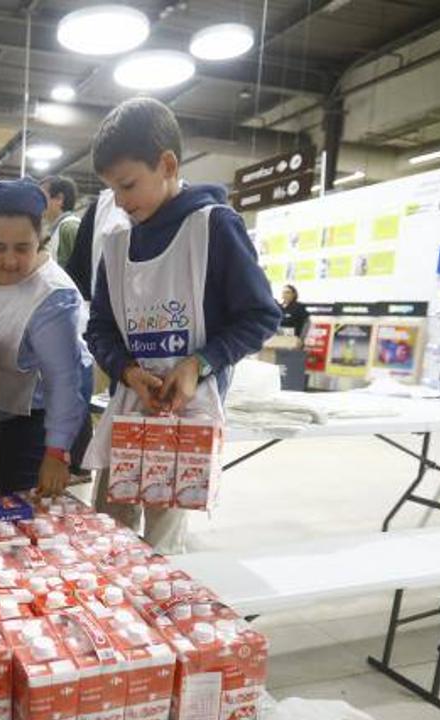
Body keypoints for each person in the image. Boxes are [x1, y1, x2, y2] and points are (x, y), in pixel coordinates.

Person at [83, 98, 281, 552]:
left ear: (167, 164)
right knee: (106, 533)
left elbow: (261, 314)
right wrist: (129, 371)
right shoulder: (116, 246)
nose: (120, 201)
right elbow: (99, 330)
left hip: (184, 419)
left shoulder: (213, 227)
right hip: (131, 409)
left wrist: (198, 364)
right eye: (112, 189)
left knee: (162, 545)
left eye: (128, 185)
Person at [0, 179, 88, 497]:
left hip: (23, 420)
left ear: (40, 239)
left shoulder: (52, 298)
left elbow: (64, 383)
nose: (9, 261)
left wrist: (56, 454)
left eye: (23, 248)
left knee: (11, 516)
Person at [40, 175, 82, 268]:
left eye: (42, 197)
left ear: (59, 199)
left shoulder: (70, 227)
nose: (38, 202)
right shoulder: (57, 230)